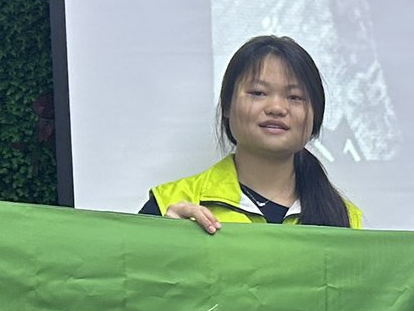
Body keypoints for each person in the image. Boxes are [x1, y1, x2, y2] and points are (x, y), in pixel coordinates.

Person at [143, 34, 363, 231]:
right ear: (227, 105)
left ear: (316, 114)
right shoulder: (170, 205)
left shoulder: (346, 221)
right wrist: (165, 242)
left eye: (295, 97)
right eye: (258, 93)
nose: (277, 108)